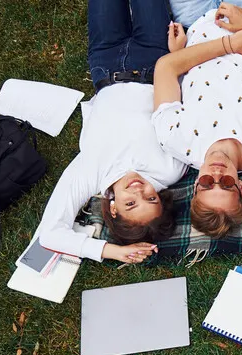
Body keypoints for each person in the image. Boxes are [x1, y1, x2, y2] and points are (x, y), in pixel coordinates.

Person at [37, 0, 192, 265]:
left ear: (113, 208)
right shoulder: (170, 170)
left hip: (105, 63)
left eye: (130, 203)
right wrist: (179, 58)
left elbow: (50, 234)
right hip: (154, 62)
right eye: (151, 198)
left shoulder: (92, 175)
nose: (138, 191)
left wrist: (109, 251)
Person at [152, 1, 242, 238]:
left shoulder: (175, 140)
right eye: (226, 184)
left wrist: (231, 44)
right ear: (240, 187)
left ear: (195, 186)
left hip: (195, 22)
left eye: (207, 183)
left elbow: (166, 68)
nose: (216, 174)